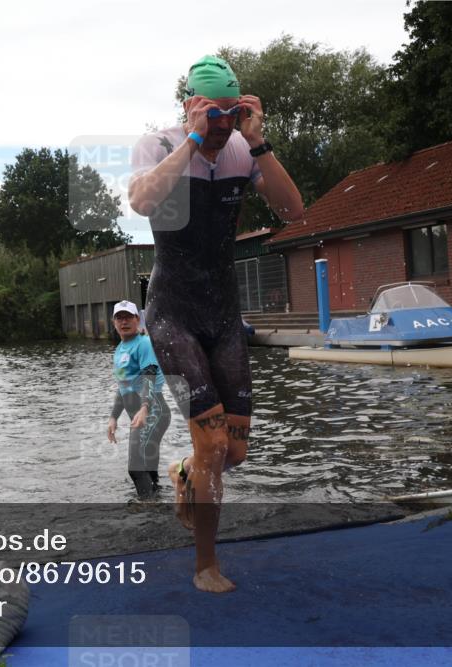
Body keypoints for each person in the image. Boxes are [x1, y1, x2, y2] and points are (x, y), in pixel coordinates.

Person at [128, 55, 304, 592]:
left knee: (235, 450)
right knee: (211, 445)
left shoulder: (241, 149)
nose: (223, 125)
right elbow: (140, 201)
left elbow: (293, 212)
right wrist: (190, 141)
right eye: (214, 113)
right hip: (172, 312)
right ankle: (206, 565)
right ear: (190, 106)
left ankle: (184, 474)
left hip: (223, 314)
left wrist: (259, 143)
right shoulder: (158, 145)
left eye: (232, 113)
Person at [107, 300, 171, 499]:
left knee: (135, 468)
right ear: (114, 322)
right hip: (142, 413)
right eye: (119, 317)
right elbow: (123, 387)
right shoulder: (120, 350)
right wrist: (113, 417)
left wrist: (144, 408)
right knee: (148, 466)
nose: (124, 321)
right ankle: (159, 503)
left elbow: (149, 374)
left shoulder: (143, 344)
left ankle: (148, 510)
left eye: (128, 317)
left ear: (137, 319)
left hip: (153, 411)